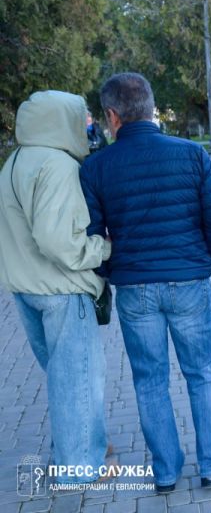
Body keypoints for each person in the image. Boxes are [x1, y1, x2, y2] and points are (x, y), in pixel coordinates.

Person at [79, 73, 211, 494]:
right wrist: (204, 259)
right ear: (151, 108)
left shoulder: (95, 168)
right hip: (188, 280)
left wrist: (112, 272)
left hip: (135, 288)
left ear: (112, 116)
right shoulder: (191, 154)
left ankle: (166, 472)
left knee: (149, 380)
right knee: (202, 372)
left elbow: (94, 234)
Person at [0, 91, 113, 486]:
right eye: (81, 117)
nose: (86, 124)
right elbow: (57, 240)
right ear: (61, 119)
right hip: (62, 290)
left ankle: (83, 446)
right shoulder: (58, 165)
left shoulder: (16, 161)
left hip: (25, 287)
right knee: (78, 380)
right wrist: (102, 248)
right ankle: (81, 467)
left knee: (63, 377)